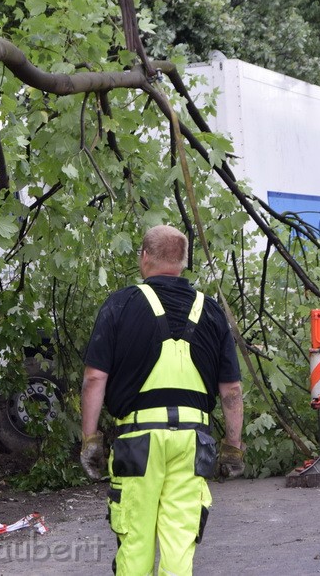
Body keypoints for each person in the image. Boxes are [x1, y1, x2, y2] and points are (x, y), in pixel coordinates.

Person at [80, 224, 244, 576]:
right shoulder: (211, 311)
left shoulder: (120, 305)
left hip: (137, 443)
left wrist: (90, 438)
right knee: (180, 538)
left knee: (135, 536)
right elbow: (231, 390)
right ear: (183, 262)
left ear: (144, 257)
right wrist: (233, 446)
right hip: (191, 441)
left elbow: (95, 378)